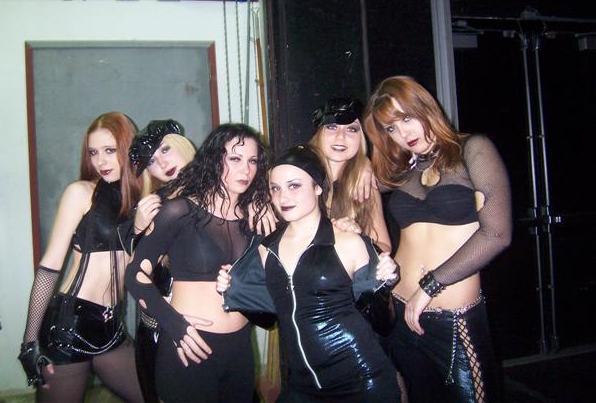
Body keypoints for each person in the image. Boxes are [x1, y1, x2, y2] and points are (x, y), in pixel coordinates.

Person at [363, 75, 512, 402]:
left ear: (424, 107)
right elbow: (350, 186)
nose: (403, 134)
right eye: (391, 128)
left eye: (406, 118)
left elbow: (497, 234)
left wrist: (428, 287)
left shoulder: (472, 149)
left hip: (453, 320)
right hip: (398, 310)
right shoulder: (402, 170)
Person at [218, 145, 403, 402]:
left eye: (294, 186)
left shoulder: (347, 241)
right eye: (275, 188)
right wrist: (230, 285)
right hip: (301, 386)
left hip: (361, 379)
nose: (283, 197)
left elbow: (383, 323)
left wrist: (385, 283)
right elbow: (267, 317)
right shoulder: (265, 249)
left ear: (317, 187)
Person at [125, 123, 270, 403]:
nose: (245, 169)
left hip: (240, 348)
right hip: (190, 345)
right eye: (235, 158)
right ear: (214, 158)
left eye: (253, 161)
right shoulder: (180, 210)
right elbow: (134, 274)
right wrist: (173, 323)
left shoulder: (256, 217)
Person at [18, 112, 144, 402]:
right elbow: (50, 267)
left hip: (112, 327)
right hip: (69, 327)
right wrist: (29, 342)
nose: (101, 161)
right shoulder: (80, 193)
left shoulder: (138, 200)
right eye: (94, 152)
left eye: (110, 150)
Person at [122, 118, 196, 403]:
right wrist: (139, 229)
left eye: (166, 150)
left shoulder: (219, 193)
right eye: (152, 161)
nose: (162, 163)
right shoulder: (151, 205)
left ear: (182, 144)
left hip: (209, 324)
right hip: (159, 330)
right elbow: (134, 273)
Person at [309, 97, 392, 252]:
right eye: (332, 127)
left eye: (352, 129)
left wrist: (358, 240)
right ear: (319, 133)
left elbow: (384, 246)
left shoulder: (364, 185)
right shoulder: (297, 174)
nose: (341, 136)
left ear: (361, 138)